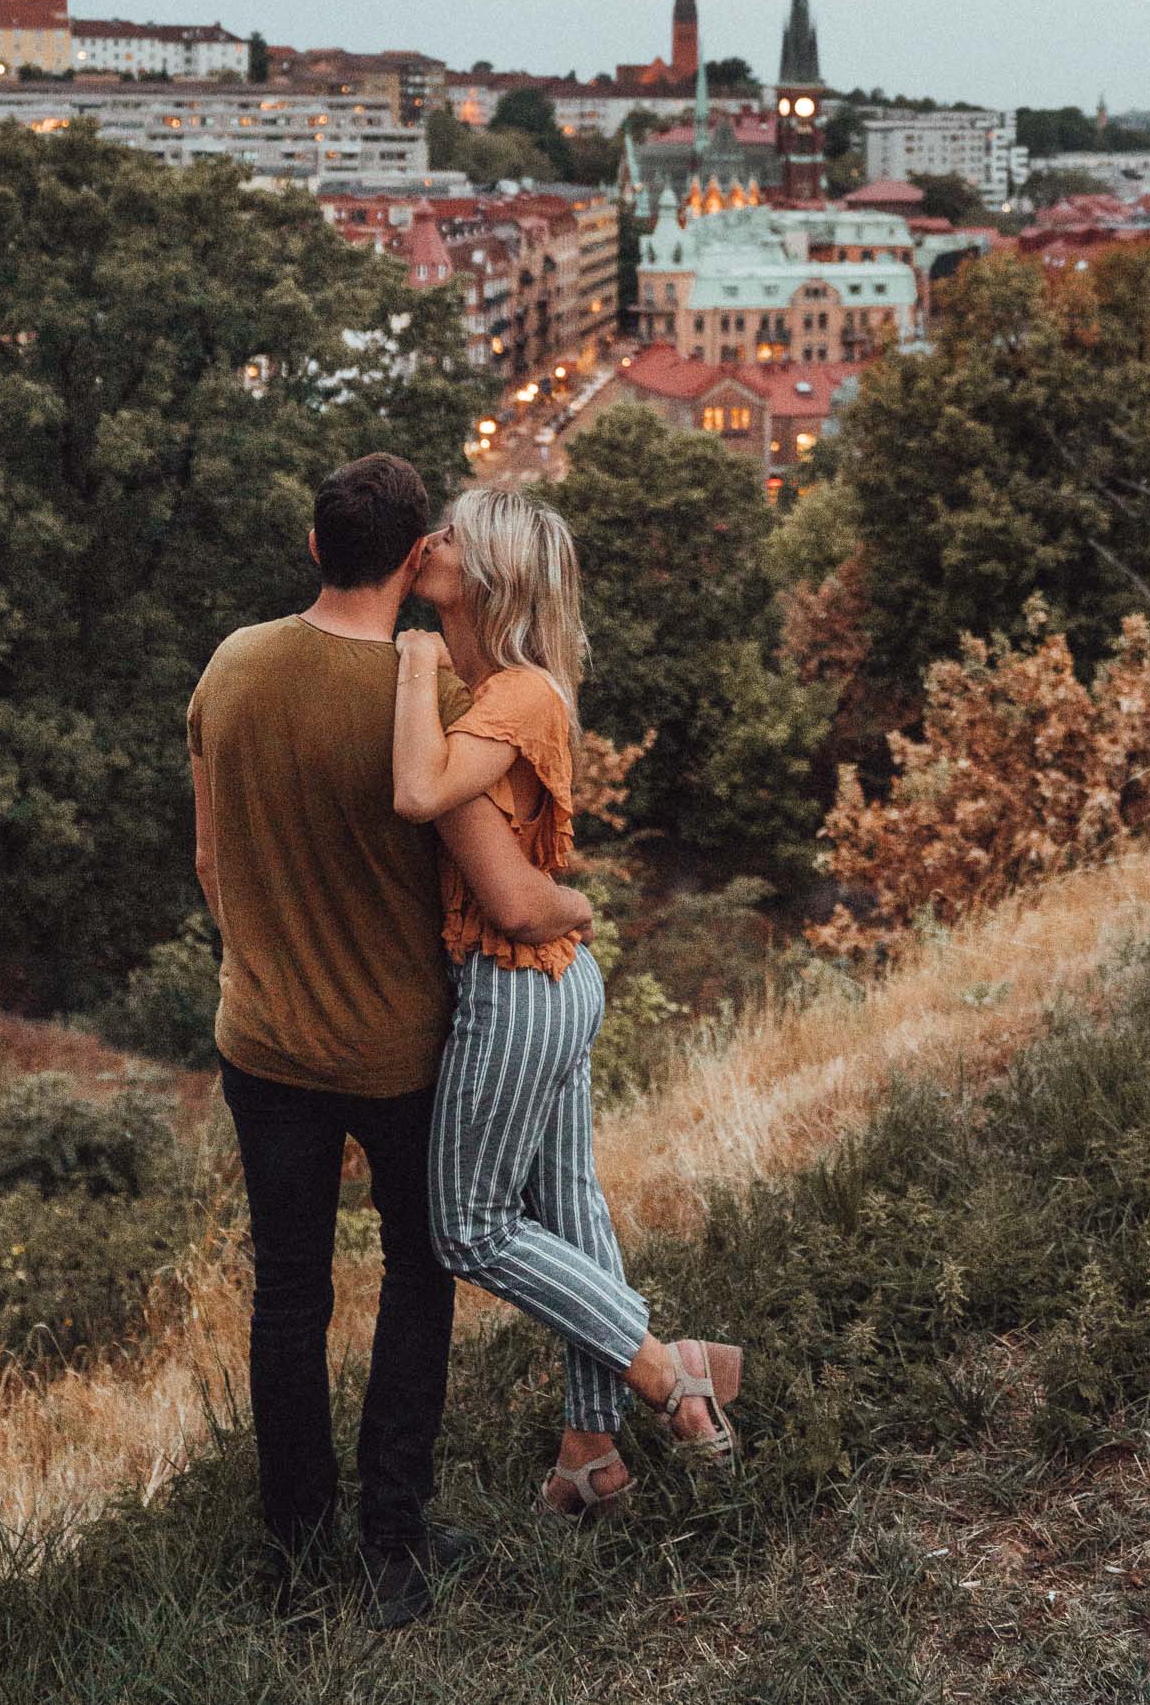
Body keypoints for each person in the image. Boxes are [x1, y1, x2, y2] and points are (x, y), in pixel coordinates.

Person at [188, 452, 594, 1625]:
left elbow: (212, 861)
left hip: (262, 1041)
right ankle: (392, 1542)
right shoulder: (433, 716)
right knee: (417, 1276)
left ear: (315, 548)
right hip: (402, 1051)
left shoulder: (231, 667)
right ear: (414, 558)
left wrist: (265, 956)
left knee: (287, 1295)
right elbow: (502, 892)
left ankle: (294, 1543)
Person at [392, 481, 744, 1519]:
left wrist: (412, 659)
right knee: (571, 1209)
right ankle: (590, 1456)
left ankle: (665, 1371)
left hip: (516, 985)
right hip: (541, 980)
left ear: (488, 571)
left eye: (453, 535)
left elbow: (439, 818)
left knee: (467, 1228)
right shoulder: (487, 688)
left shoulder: (513, 692)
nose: (433, 542)